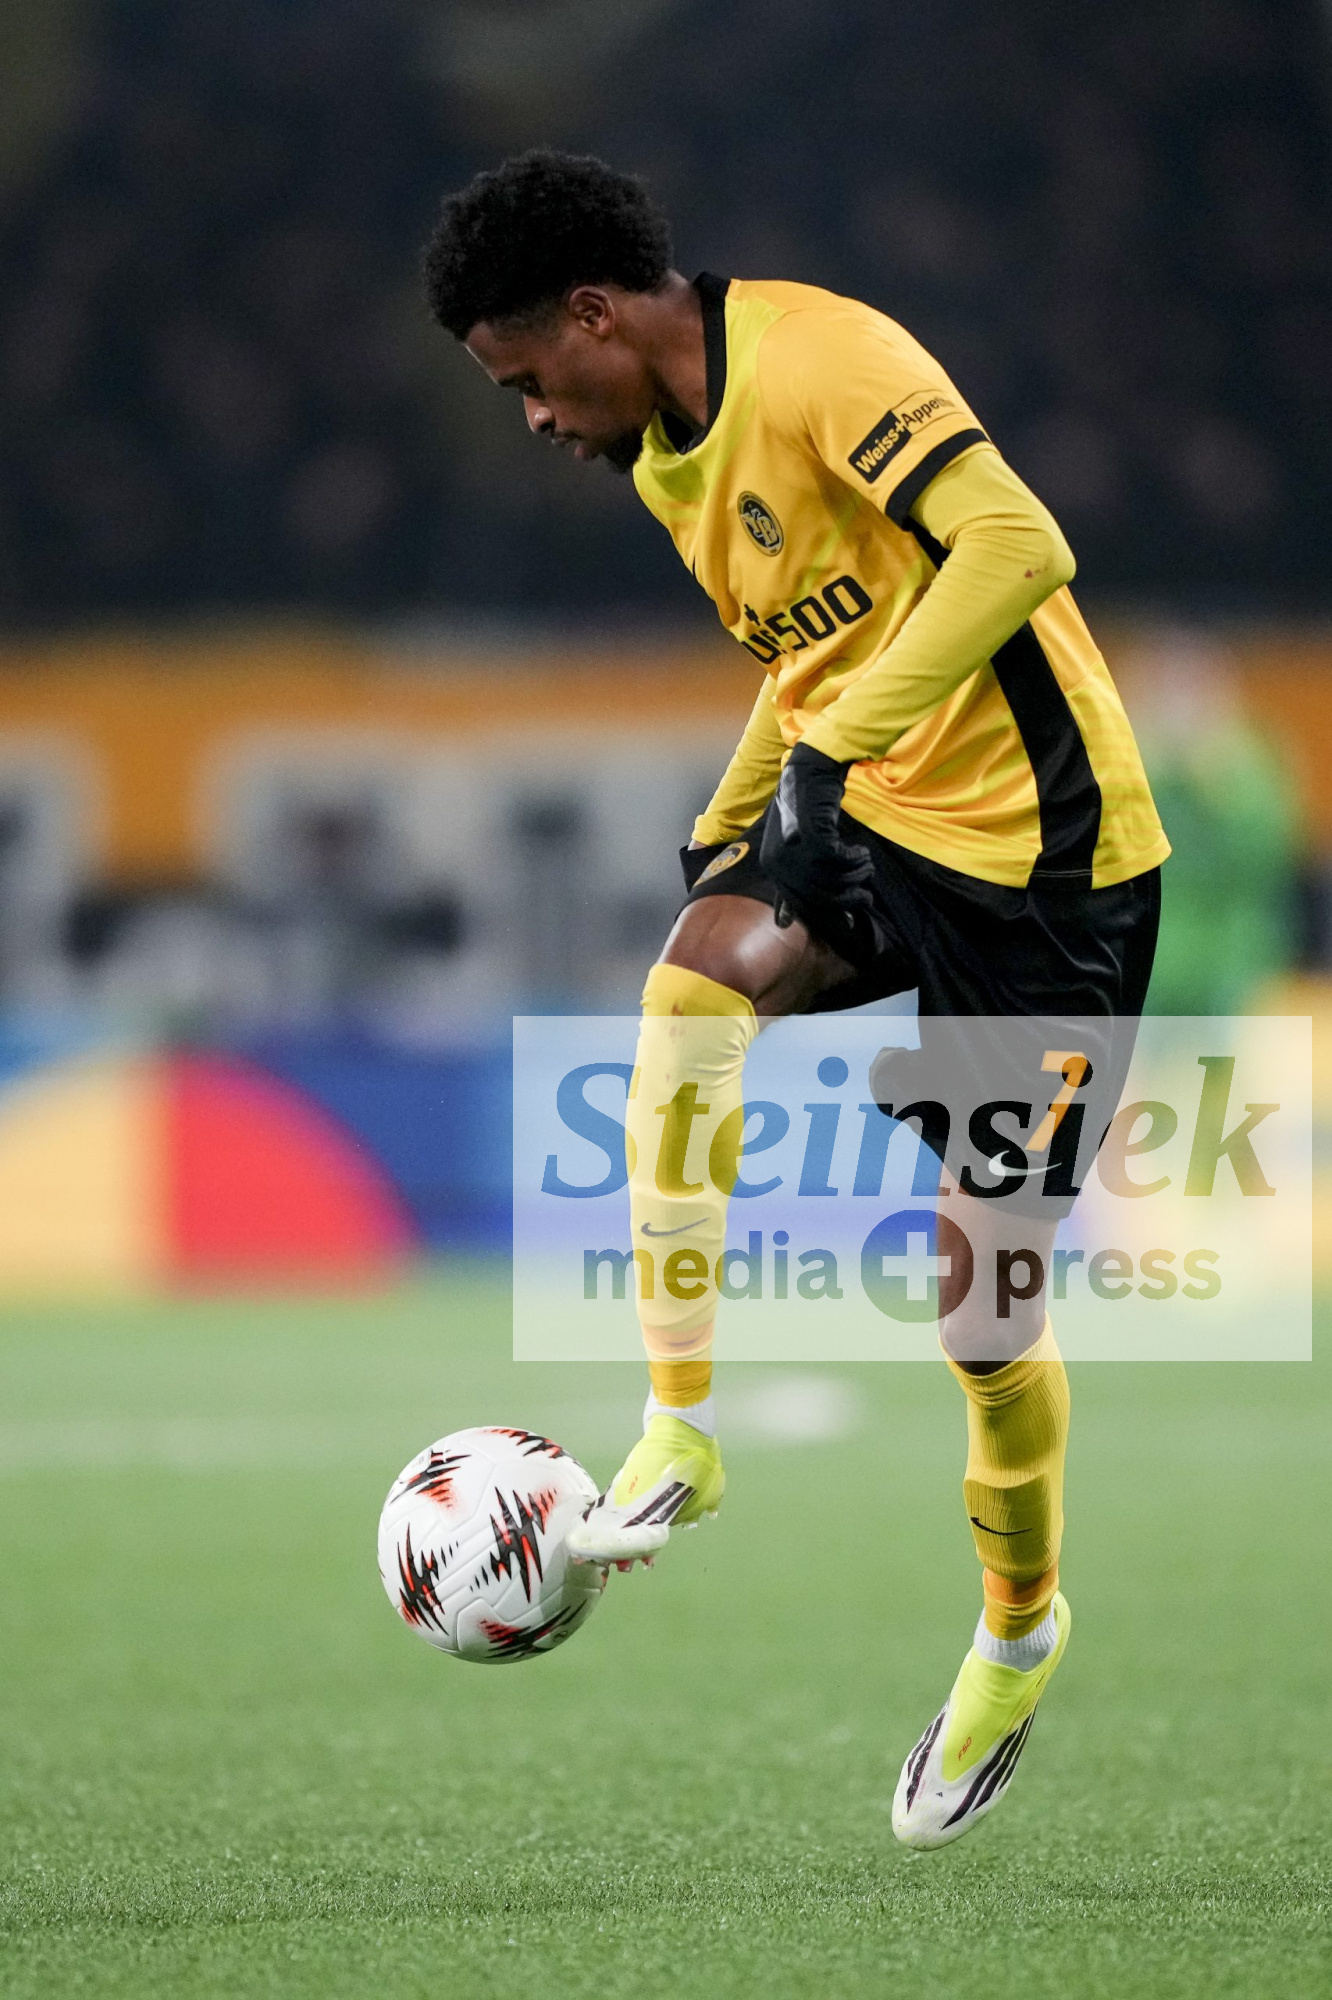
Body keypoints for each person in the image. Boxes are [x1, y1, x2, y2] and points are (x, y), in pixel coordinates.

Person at [423, 150, 1169, 1849]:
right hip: (890, 831)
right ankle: (679, 1429)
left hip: (1053, 867)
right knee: (689, 987)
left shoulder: (825, 358)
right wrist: (745, 797)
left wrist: (829, 755)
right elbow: (807, 655)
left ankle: (1020, 1631)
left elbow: (1018, 545)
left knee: (982, 1312)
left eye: (531, 379)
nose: (534, 419)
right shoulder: (667, 461)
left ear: (596, 316)